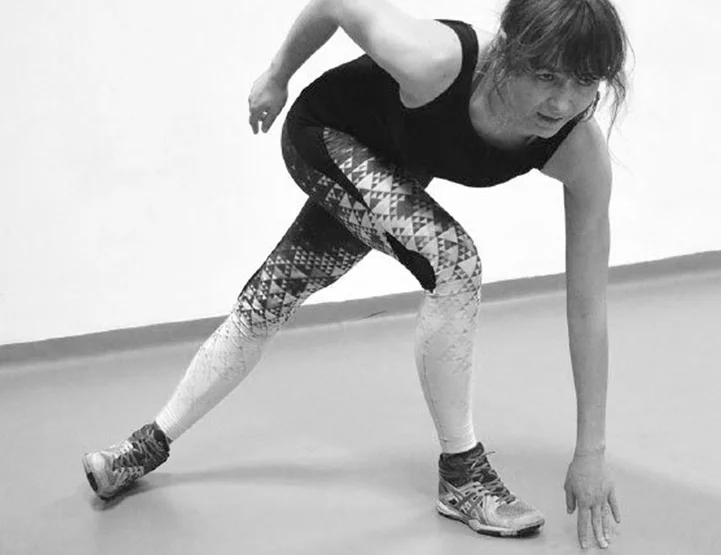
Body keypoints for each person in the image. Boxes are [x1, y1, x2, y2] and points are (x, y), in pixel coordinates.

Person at [82, 0, 630, 548]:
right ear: (510, 52)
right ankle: (463, 477)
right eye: (545, 76)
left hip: (392, 168)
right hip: (323, 134)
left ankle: (139, 449)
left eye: (584, 82)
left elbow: (588, 307)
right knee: (454, 261)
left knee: (268, 301)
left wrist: (591, 452)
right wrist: (276, 76)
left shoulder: (578, 151)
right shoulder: (434, 60)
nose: (562, 102)